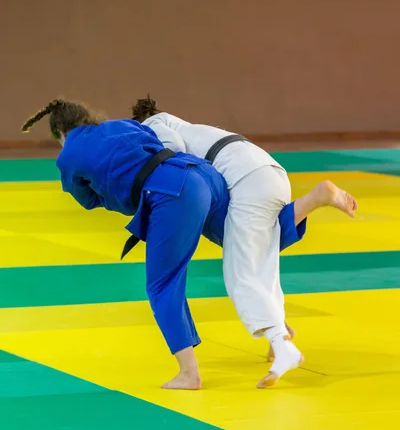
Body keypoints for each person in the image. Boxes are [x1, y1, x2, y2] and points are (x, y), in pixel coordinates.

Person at [131, 96, 358, 387]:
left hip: (248, 181)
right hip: (269, 172)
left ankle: (283, 347)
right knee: (262, 254)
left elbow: (171, 150)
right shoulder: (193, 127)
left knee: (240, 274)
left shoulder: (154, 124)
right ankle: (280, 331)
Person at [21, 99, 230, 391]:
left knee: (162, 285)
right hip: (202, 174)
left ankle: (189, 374)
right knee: (246, 243)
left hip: (173, 194)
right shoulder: (123, 125)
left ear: (60, 132)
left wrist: (112, 193)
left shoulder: (68, 155)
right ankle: (278, 333)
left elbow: (88, 201)